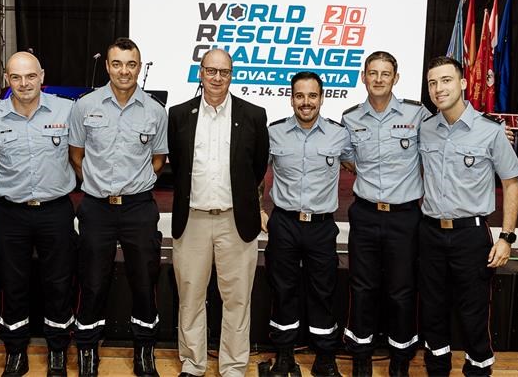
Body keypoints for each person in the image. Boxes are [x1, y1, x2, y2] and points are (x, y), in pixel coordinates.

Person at [68, 37, 168, 377]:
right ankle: (87, 351)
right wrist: (99, 185)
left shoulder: (155, 111)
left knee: (144, 280)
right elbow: (76, 156)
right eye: (117, 64)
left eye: (130, 64)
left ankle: (144, 351)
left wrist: (133, 184)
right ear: (108, 67)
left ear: (139, 67)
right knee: (92, 281)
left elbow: (158, 160)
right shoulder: (84, 106)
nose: (124, 71)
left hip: (139, 208)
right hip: (97, 208)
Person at [167, 48, 269, 377]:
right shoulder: (179, 115)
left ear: (231, 75)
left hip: (235, 220)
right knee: (191, 296)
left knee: (237, 299)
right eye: (211, 71)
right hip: (192, 220)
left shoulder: (253, 115)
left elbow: (257, 167)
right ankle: (192, 363)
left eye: (224, 72)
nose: (217, 78)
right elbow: (178, 165)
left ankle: (234, 366)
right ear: (200, 72)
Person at [418, 56, 518, 377]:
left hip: (470, 236)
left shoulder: (491, 131)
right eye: (432, 83)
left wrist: (506, 238)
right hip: (430, 233)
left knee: (473, 313)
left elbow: (511, 184)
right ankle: (437, 370)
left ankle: (477, 371)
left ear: (463, 83)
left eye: (446, 80)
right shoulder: (425, 129)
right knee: (432, 310)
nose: (438, 88)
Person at [0, 51, 77, 377]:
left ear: (42, 76)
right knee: (12, 284)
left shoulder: (67, 110)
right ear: (8, 79)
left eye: (30, 76)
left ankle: (58, 351)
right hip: (11, 215)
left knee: (59, 283)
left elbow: (81, 154)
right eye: (16, 77)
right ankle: (15, 352)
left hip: (55, 212)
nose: (24, 83)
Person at [340, 51, 428, 376]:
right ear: (363, 77)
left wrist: (495, 128)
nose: (378, 79)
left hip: (404, 218)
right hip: (365, 215)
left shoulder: (416, 114)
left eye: (385, 73)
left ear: (396, 78)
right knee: (362, 288)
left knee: (402, 290)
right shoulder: (350, 118)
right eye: (373, 73)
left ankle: (400, 360)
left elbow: (445, 136)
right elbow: (348, 158)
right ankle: (361, 357)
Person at [261, 72, 346, 377]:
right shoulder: (274, 133)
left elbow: (358, 164)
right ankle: (284, 356)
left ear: (322, 98)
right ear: (291, 98)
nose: (305, 102)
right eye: (299, 96)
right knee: (282, 290)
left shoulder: (340, 134)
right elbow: (257, 174)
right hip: (284, 224)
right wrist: (258, 209)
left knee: (323, 292)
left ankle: (325, 358)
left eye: (312, 96)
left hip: (321, 226)